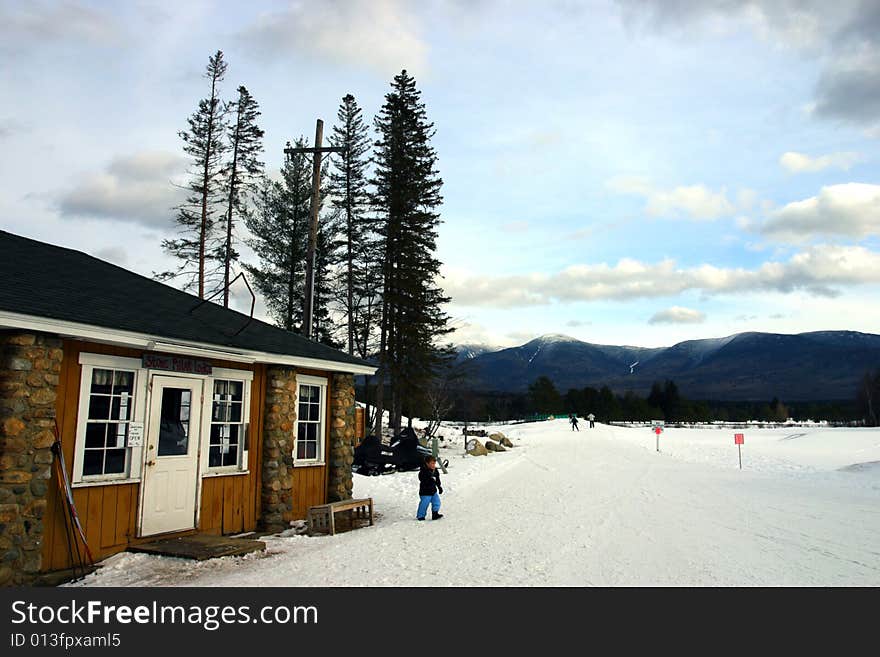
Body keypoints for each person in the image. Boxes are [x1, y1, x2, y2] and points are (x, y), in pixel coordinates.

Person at [416, 455, 443, 521]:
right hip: (425, 492)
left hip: (433, 491)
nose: (433, 465)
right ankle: (420, 516)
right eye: (432, 463)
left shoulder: (435, 470)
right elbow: (422, 479)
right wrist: (430, 478)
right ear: (427, 463)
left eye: (434, 463)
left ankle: (435, 514)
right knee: (424, 504)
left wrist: (439, 487)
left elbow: (437, 479)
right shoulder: (423, 471)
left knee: (437, 502)